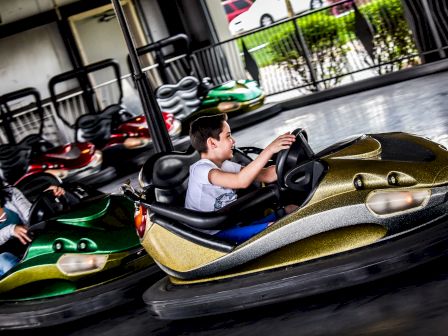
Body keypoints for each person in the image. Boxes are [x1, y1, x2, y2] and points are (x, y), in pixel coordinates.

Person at [185, 113, 297, 243]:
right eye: (228, 136)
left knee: (291, 209)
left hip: (231, 224)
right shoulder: (201, 170)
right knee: (277, 230)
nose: (233, 141)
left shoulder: (226, 165)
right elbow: (241, 181)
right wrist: (270, 149)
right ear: (212, 143)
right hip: (211, 237)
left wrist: (293, 161)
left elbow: (266, 175)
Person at [0, 180, 64, 276]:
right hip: (3, 254)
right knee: (5, 260)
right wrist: (10, 230)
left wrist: (46, 198)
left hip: (25, 245)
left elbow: (31, 216)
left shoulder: (10, 192)